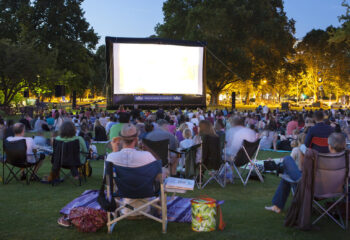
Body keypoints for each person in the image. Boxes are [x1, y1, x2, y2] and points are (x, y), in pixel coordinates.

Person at [265, 132, 346, 214]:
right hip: (337, 190)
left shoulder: (322, 158)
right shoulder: (346, 159)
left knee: (288, 159)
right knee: (288, 173)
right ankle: (277, 205)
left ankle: (277, 205)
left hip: (311, 188)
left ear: (329, 145)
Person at [106, 123, 157, 216]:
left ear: (120, 139)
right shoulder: (148, 156)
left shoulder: (111, 157)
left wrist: (114, 151)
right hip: (145, 195)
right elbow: (159, 176)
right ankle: (160, 212)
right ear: (136, 139)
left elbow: (107, 180)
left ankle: (116, 210)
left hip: (123, 198)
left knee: (113, 183)